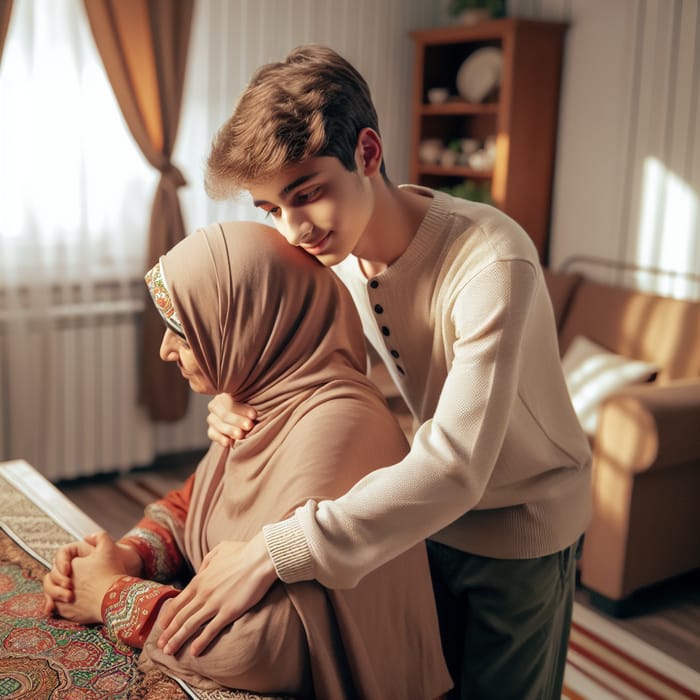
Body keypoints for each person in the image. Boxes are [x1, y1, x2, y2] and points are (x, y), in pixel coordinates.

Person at [154, 45, 593, 700]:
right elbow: (320, 382)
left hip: (522, 526)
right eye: (271, 209)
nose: (294, 229)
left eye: (305, 194)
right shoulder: (333, 265)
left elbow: (456, 463)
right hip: (417, 518)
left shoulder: (492, 260)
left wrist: (275, 550)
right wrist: (239, 402)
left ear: (366, 152)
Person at [42, 221, 452, 699]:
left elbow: (259, 648)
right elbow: (192, 506)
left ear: (252, 325)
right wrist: (129, 555)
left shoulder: (338, 427)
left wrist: (110, 595)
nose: (164, 350)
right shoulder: (265, 394)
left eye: (184, 333)